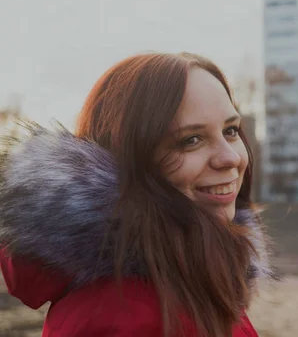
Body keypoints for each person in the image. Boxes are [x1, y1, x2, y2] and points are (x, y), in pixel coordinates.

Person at [0, 52, 274, 336]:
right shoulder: (123, 315)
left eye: (231, 130)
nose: (230, 158)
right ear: (132, 159)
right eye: (191, 140)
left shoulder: (188, 275)